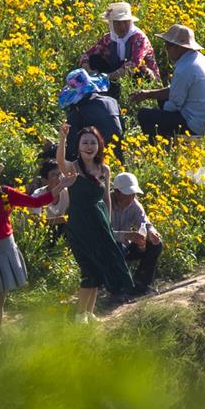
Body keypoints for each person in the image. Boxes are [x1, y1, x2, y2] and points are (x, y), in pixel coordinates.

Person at [0, 154, 75, 342]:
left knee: (0, 301)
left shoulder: (5, 193)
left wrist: (61, 186)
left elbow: (35, 202)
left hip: (6, 249)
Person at [58, 123, 136, 323]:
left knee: (98, 269)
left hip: (99, 223)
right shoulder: (73, 168)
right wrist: (62, 138)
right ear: (79, 145)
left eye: (93, 142)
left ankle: (88, 313)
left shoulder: (104, 169)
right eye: (85, 142)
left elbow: (107, 199)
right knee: (88, 269)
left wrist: (108, 224)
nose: (89, 146)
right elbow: (60, 161)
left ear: (99, 145)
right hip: (80, 225)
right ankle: (78, 316)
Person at [131, 24, 205, 140]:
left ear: (180, 47)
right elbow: (174, 91)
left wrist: (160, 116)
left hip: (195, 125)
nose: (166, 49)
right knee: (161, 98)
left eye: (168, 45)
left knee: (144, 115)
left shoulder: (185, 69)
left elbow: (173, 105)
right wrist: (148, 94)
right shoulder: (199, 59)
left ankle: (160, 147)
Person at [79, 2, 161, 100]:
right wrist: (88, 70)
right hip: (116, 74)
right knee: (94, 59)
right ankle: (103, 90)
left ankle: (122, 94)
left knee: (141, 71)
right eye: (117, 23)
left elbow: (134, 64)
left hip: (140, 79)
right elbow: (87, 55)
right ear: (111, 24)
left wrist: (108, 77)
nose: (122, 26)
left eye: (125, 22)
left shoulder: (139, 38)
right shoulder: (109, 38)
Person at [110, 172, 163, 295]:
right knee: (117, 247)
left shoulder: (134, 204)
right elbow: (102, 234)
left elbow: (145, 223)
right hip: (106, 249)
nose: (131, 197)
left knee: (156, 244)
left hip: (126, 247)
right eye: (127, 194)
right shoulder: (105, 204)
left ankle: (141, 284)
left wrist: (151, 232)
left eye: (133, 194)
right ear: (116, 192)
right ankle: (118, 289)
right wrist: (127, 235)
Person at [59, 68, 124, 162]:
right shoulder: (112, 101)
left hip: (97, 160)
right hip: (118, 154)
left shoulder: (78, 110)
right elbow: (121, 129)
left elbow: (71, 148)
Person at [30, 159, 70, 248]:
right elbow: (36, 222)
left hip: (62, 231)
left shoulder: (67, 193)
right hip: (44, 233)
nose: (58, 178)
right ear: (45, 180)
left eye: (60, 174)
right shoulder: (38, 195)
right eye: (53, 175)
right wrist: (63, 219)